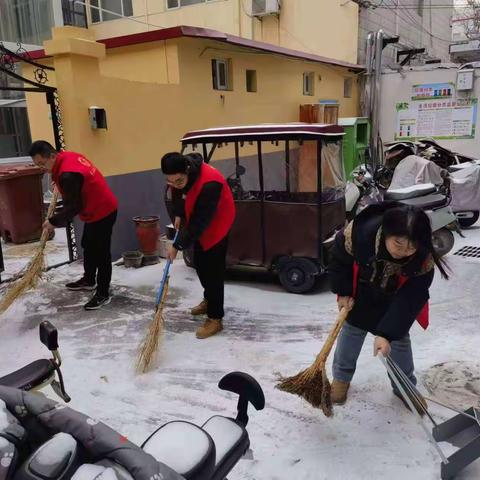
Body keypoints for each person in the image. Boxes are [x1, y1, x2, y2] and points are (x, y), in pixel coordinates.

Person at [328, 202, 449, 412]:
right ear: (385, 233)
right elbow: (339, 260)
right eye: (398, 244)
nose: (404, 252)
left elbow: (412, 297)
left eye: (411, 247)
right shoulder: (360, 233)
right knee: (352, 330)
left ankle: (404, 386)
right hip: (363, 289)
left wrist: (386, 333)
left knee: (399, 340)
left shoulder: (423, 257)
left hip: (397, 294)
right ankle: (341, 378)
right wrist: (344, 291)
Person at [29, 141, 118, 310]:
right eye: (37, 164)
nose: (41, 168)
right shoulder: (66, 157)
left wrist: (53, 221)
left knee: (101, 253)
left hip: (103, 211)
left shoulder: (67, 174)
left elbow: (75, 206)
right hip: (94, 209)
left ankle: (103, 293)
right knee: (88, 245)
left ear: (53, 156)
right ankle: (89, 280)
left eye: (42, 163)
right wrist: (58, 180)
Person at [161, 152, 235, 339]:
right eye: (170, 181)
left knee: (213, 271)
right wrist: (179, 213)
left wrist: (177, 245)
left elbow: (199, 222)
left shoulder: (211, 182)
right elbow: (178, 192)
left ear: (187, 170)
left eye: (178, 180)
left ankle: (215, 317)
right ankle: (209, 300)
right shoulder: (181, 176)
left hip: (217, 224)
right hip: (199, 221)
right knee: (201, 265)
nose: (175, 184)